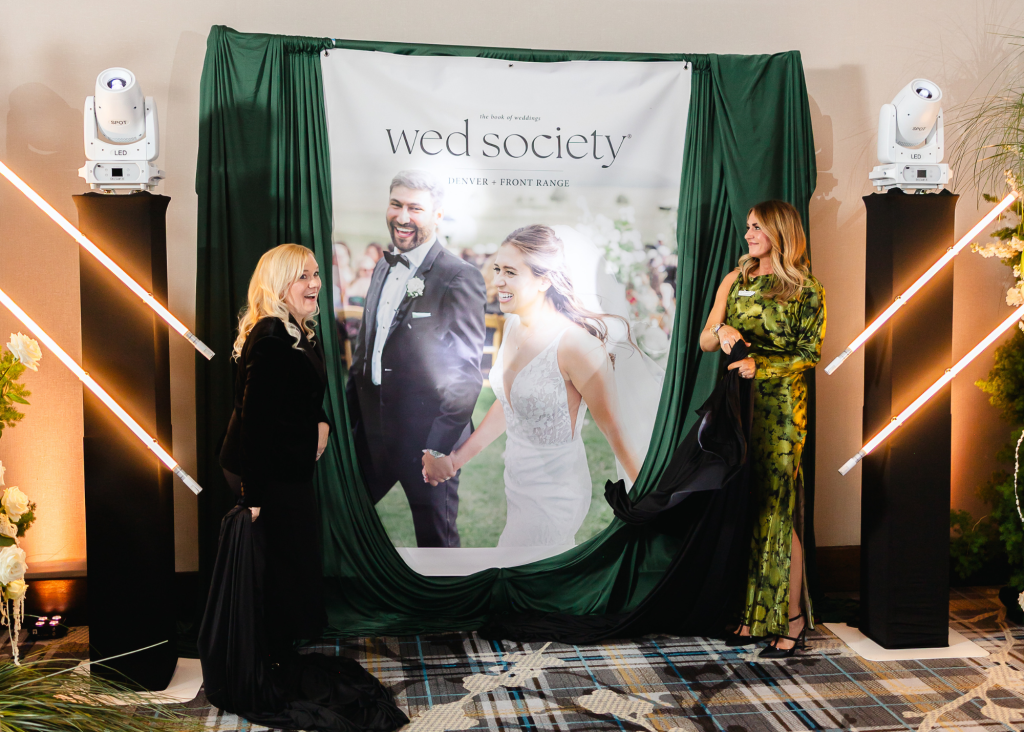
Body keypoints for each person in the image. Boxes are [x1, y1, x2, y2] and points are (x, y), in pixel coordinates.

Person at [200, 244, 407, 731]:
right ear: (279, 285)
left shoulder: (296, 329)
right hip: (262, 473)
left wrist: (322, 421)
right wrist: (253, 499)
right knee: (277, 567)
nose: (315, 284)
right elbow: (254, 424)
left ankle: (275, 650)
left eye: (316, 274)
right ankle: (268, 660)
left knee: (288, 563)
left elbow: (299, 397)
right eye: (303, 277)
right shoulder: (272, 336)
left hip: (282, 469)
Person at [438, 225, 644, 547]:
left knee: (524, 568)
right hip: (517, 484)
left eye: (510, 272)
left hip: (555, 493)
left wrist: (647, 499)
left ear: (544, 280)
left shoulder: (577, 345)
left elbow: (614, 428)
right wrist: (456, 460)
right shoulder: (513, 324)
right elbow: (510, 404)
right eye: (497, 269)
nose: (497, 280)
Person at [699, 200, 826, 658]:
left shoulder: (805, 288)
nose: (748, 234)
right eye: (749, 226)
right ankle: (755, 615)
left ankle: (791, 618)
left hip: (782, 408)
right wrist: (723, 331)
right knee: (747, 505)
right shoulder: (736, 279)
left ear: (780, 232)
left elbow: (809, 353)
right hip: (740, 403)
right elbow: (705, 338)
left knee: (776, 509)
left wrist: (763, 367)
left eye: (758, 227)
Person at [346, 170, 486, 548]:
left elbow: (465, 375)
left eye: (415, 208)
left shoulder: (459, 277)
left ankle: (444, 592)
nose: (402, 216)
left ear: (437, 215)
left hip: (426, 439)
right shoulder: (382, 266)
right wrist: (345, 424)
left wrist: (437, 448)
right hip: (371, 435)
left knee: (436, 541)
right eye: (396, 205)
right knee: (341, 521)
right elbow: (365, 353)